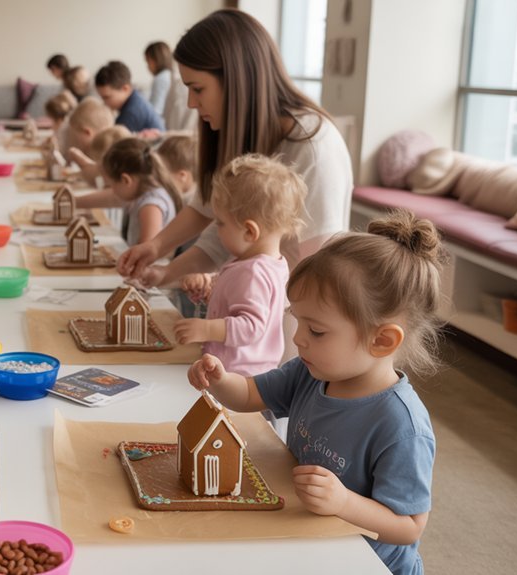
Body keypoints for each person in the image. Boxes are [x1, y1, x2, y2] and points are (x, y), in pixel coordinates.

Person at [188, 210, 442, 575]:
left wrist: (344, 502)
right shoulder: (311, 373)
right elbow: (247, 395)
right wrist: (220, 378)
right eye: (298, 320)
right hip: (309, 542)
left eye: (317, 331)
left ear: (382, 340)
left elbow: (409, 526)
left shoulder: (402, 425)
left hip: (366, 563)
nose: (298, 338)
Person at [118, 9, 353, 299]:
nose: (191, 103)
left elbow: (317, 270)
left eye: (198, 89)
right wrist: (160, 260)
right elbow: (213, 224)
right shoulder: (237, 134)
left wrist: (227, 285)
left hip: (289, 324)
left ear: (237, 80)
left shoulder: (313, 145)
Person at [173, 154, 306, 376]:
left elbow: (251, 327)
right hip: (243, 370)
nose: (218, 230)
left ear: (249, 231)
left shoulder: (253, 271)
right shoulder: (269, 264)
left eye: (221, 223)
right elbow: (238, 299)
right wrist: (210, 287)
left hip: (239, 375)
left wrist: (206, 329)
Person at [75, 137, 183, 246]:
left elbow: (146, 251)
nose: (112, 191)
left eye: (111, 185)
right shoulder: (140, 192)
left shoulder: (151, 206)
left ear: (125, 180)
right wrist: (73, 202)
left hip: (153, 263)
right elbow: (110, 198)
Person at [94, 60, 164, 133]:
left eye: (107, 97)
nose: (104, 103)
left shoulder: (131, 113)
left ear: (125, 89)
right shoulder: (136, 99)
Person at [144, 41, 176, 117]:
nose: (147, 66)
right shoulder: (171, 75)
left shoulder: (160, 79)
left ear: (155, 60)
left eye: (147, 61)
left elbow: (155, 110)